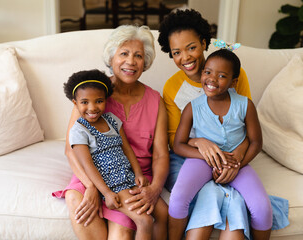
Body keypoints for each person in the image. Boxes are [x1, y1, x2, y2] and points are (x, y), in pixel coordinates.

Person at [53, 25, 169, 240]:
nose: (131, 62)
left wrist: (154, 188)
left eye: (138, 56)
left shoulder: (155, 101)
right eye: (123, 53)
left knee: (124, 233)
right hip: (92, 171)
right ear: (111, 58)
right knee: (76, 200)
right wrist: (92, 187)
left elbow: (161, 154)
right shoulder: (92, 95)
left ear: (146, 62)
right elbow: (71, 149)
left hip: (132, 176)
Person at [157, 8, 253, 240]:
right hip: (187, 155)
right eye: (177, 52)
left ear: (203, 42)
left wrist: (236, 159)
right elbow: (174, 139)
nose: (186, 58)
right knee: (210, 189)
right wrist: (200, 143)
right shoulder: (172, 87)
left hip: (229, 151)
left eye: (191, 47)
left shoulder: (232, 75)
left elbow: (248, 126)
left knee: (234, 190)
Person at [170, 49, 272, 240]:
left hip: (235, 162)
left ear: (234, 82)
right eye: (207, 72)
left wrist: (236, 165)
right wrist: (210, 157)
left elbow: (256, 142)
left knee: (262, 208)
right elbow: (178, 145)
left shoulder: (245, 105)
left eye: (222, 75)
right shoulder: (192, 108)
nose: (212, 79)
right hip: (201, 161)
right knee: (178, 199)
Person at [62, 69, 164, 240]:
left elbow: (127, 148)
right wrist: (106, 193)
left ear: (106, 100)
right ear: (75, 103)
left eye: (99, 101)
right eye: (85, 102)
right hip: (112, 183)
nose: (93, 108)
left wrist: (138, 173)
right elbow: (88, 165)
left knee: (163, 212)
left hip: (129, 176)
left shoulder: (112, 120)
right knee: (145, 221)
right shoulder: (79, 131)